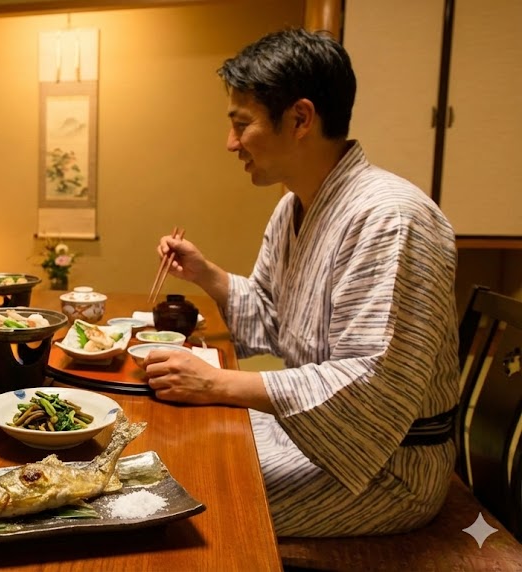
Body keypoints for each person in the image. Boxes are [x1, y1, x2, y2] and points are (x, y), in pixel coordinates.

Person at [144, 29, 459, 537]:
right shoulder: (293, 205)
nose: (230, 143)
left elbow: (373, 384)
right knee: (169, 454)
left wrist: (217, 384)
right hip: (312, 436)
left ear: (300, 119)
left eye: (241, 124)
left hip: (384, 469)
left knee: (179, 499)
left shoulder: (390, 218)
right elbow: (272, 320)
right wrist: (209, 275)